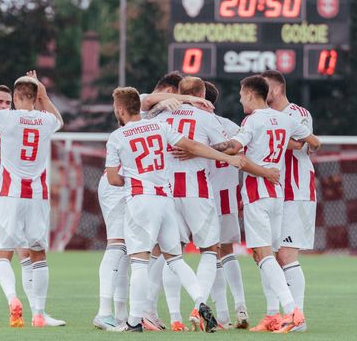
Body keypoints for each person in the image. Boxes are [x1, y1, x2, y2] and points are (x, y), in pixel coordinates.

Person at [105, 86, 248, 333]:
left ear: (120, 109)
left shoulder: (118, 137)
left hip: (141, 201)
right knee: (177, 260)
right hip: (165, 201)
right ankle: (201, 303)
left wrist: (131, 177)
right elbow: (192, 146)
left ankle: (134, 321)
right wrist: (228, 158)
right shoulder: (158, 127)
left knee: (139, 262)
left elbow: (113, 179)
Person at [211, 75, 320, 334]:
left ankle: (294, 312)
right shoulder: (284, 120)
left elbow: (235, 149)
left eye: (241, 95)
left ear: (251, 94)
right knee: (263, 254)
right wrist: (285, 141)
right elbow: (314, 142)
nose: (239, 99)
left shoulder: (268, 118)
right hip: (279, 193)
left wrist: (202, 149)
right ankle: (273, 314)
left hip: (272, 192)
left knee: (273, 255)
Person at [0, 68, 64, 328]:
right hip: (39, 196)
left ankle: (12, 299)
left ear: (16, 97)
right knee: (37, 254)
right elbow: (59, 119)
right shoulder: (46, 120)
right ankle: (39, 314)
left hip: (10, 195)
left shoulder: (6, 118)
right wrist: (43, 95)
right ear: (34, 96)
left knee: (2, 256)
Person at [262, 70, 317, 332]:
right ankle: (275, 314)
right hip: (272, 192)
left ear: (277, 90)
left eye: (265, 88)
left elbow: (305, 145)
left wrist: (267, 136)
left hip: (296, 191)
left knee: (285, 254)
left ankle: (298, 317)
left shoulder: (298, 113)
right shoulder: (261, 117)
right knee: (267, 254)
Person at [202, 81, 249, 330]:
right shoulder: (231, 126)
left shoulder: (197, 124)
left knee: (209, 253)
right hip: (228, 194)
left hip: (202, 196)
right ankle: (240, 304)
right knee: (228, 251)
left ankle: (221, 314)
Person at [92, 170, 129, 330]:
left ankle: (121, 314)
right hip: (119, 184)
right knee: (117, 245)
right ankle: (104, 313)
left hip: (132, 182)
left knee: (129, 248)